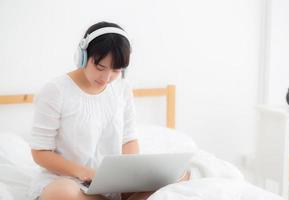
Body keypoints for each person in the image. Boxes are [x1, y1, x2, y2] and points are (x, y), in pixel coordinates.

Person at [28, 21, 189, 200]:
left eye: (116, 70)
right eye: (100, 67)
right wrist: (84, 173)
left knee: (181, 174)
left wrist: (130, 174)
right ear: (82, 56)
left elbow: (129, 139)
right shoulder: (56, 90)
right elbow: (40, 153)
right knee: (61, 194)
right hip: (68, 181)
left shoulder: (122, 88)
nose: (106, 78)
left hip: (112, 182)